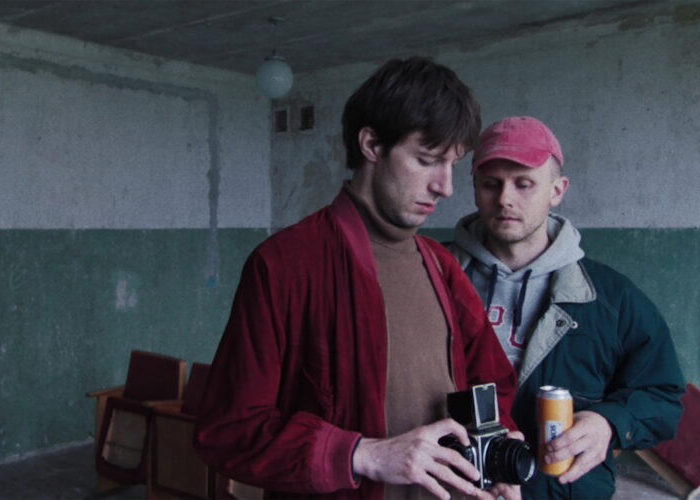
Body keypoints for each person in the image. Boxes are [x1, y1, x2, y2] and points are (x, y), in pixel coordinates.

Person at [194, 57, 523, 500]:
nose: (445, 187)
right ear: (371, 144)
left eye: (452, 165)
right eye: (427, 160)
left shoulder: (443, 267)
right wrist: (360, 455)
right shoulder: (285, 264)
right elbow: (229, 430)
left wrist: (500, 446)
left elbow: (494, 384)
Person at [447, 116, 685, 499]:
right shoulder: (431, 278)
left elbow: (663, 395)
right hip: (454, 490)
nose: (505, 198)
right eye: (491, 184)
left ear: (557, 190)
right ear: (475, 188)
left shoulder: (610, 298)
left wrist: (609, 423)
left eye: (524, 184)